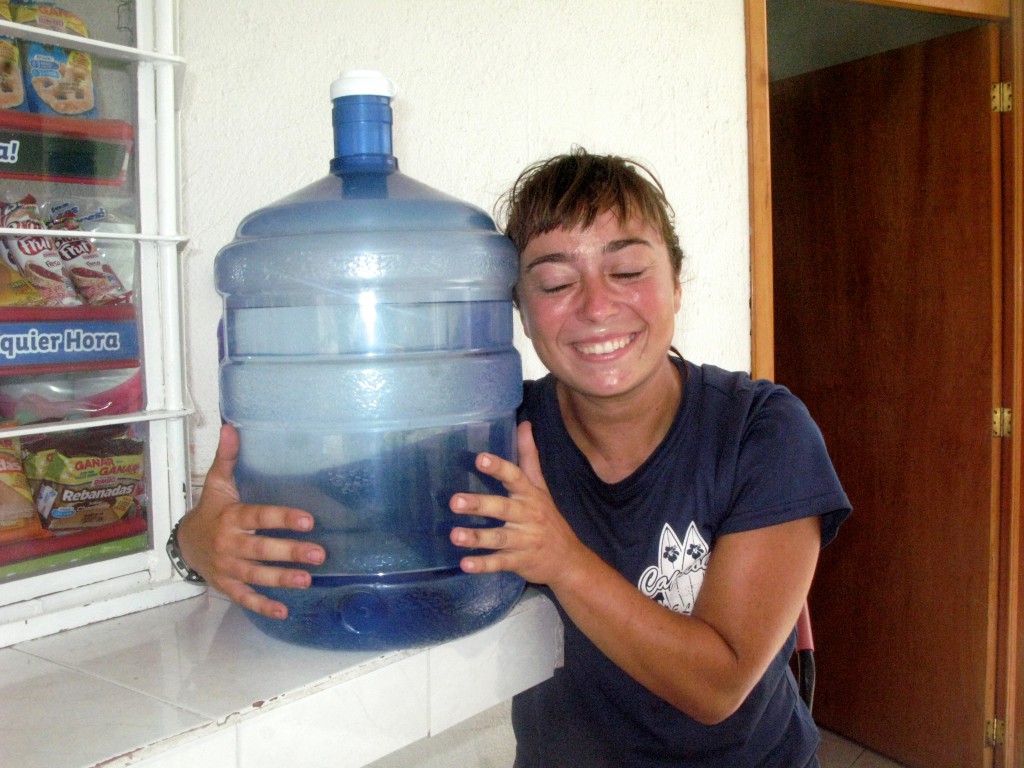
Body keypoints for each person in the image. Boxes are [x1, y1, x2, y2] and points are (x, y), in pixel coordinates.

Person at [174, 148, 850, 767]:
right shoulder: (493, 438)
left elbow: (718, 685)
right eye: (555, 283)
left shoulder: (761, 430)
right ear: (520, 313)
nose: (596, 306)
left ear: (677, 283)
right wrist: (201, 544)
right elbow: (321, 507)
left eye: (628, 270)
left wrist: (559, 558)